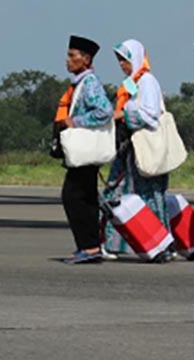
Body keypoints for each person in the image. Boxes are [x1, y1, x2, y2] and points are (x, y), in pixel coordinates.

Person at [104, 39, 173, 261]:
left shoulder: (147, 81)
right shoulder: (132, 83)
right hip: (130, 151)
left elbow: (150, 115)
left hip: (144, 151)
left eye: (125, 60)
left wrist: (123, 115)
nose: (122, 65)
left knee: (148, 196)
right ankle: (114, 242)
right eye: (119, 61)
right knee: (116, 193)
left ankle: (159, 244)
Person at [56, 36, 115, 265]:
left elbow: (104, 111)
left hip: (85, 153)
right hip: (84, 153)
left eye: (73, 56)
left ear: (86, 59)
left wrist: (76, 121)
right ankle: (89, 246)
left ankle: (89, 245)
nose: (67, 60)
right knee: (85, 196)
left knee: (74, 196)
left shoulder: (89, 83)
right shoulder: (81, 83)